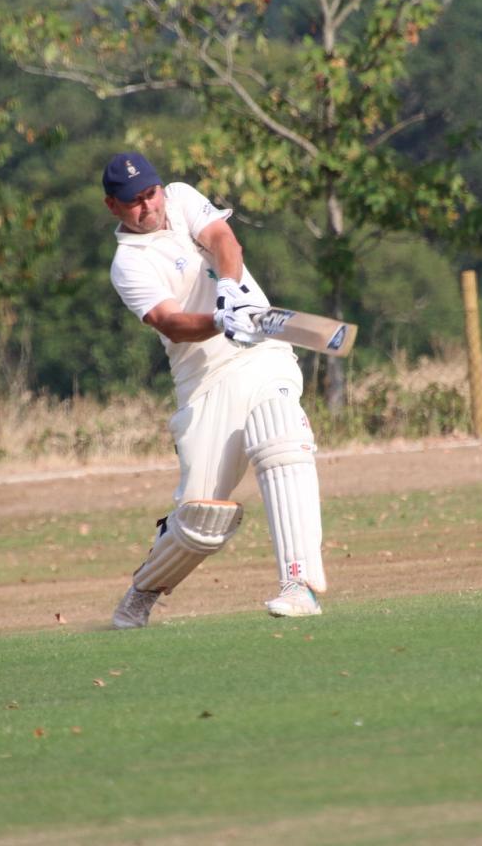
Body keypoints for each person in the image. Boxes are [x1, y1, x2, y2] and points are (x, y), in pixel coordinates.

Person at [99, 151, 327, 628]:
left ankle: (299, 584)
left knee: (280, 434)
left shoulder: (181, 197)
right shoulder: (127, 264)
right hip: (204, 384)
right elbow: (170, 323)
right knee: (200, 519)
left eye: (150, 193)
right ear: (113, 207)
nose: (148, 206)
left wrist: (229, 289)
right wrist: (219, 320)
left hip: (262, 352)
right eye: (134, 202)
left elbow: (223, 238)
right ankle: (140, 594)